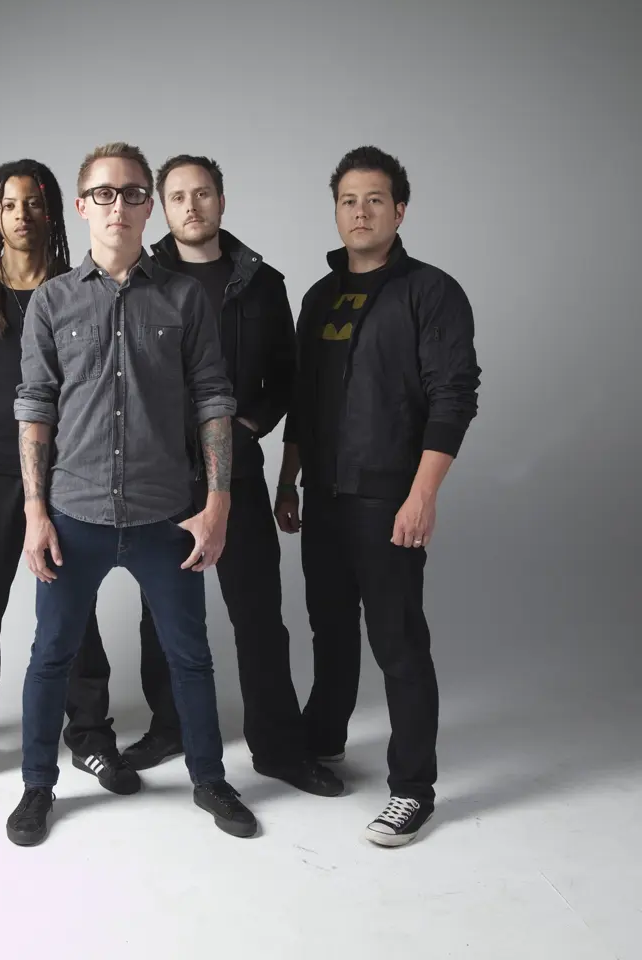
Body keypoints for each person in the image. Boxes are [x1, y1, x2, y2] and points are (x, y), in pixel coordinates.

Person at [7, 142, 258, 846]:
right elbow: (35, 405)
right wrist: (33, 511)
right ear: (82, 205)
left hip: (165, 516)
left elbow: (213, 398)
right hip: (74, 513)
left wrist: (219, 501)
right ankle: (36, 787)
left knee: (190, 656)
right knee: (50, 656)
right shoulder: (54, 301)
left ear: (149, 204)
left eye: (132, 193)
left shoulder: (183, 298)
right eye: (104, 193)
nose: (119, 205)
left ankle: (210, 780)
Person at [69, 154, 342, 798]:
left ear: (222, 201)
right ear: (160, 206)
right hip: (158, 470)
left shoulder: (262, 282)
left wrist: (247, 428)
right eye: (177, 196)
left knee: (256, 610)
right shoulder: (142, 278)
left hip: (235, 469)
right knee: (160, 613)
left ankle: (278, 747)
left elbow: (287, 378)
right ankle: (170, 727)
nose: (191, 207)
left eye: (203, 194)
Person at [275, 145, 481, 845]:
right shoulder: (319, 296)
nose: (360, 213)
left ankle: (413, 787)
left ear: (400, 209)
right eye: (347, 201)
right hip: (325, 498)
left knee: (397, 642)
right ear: (335, 212)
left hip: (390, 497)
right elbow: (302, 403)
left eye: (374, 200)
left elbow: (454, 399)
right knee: (329, 630)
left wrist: (423, 496)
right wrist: (287, 481)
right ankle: (323, 739)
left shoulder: (431, 292)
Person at [0, 160, 119, 800]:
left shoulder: (76, 290)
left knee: (76, 604)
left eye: (34, 204)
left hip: (69, 466)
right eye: (10, 205)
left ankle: (88, 733)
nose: (22, 216)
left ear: (53, 212)